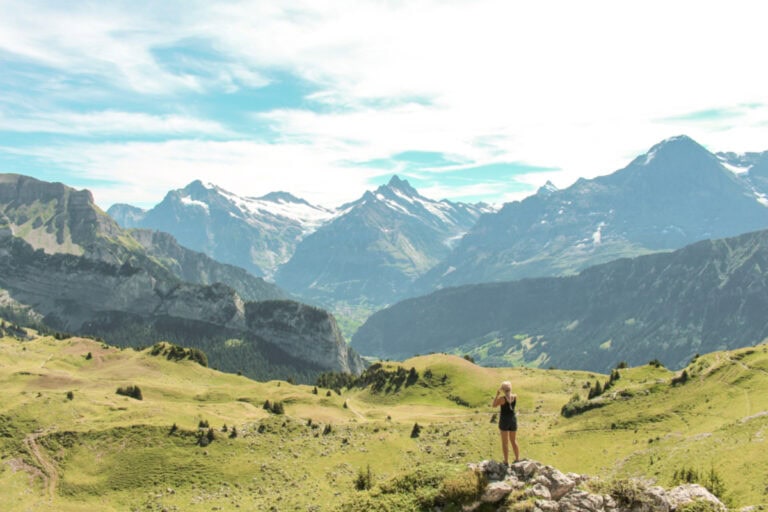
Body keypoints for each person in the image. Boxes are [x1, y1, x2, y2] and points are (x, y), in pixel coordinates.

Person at [492, 380, 519, 465]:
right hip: (513, 420)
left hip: (504, 420)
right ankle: (517, 459)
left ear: (503, 389)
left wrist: (497, 394)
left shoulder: (502, 399)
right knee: (513, 440)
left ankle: (506, 461)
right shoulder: (515, 396)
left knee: (505, 442)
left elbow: (493, 405)